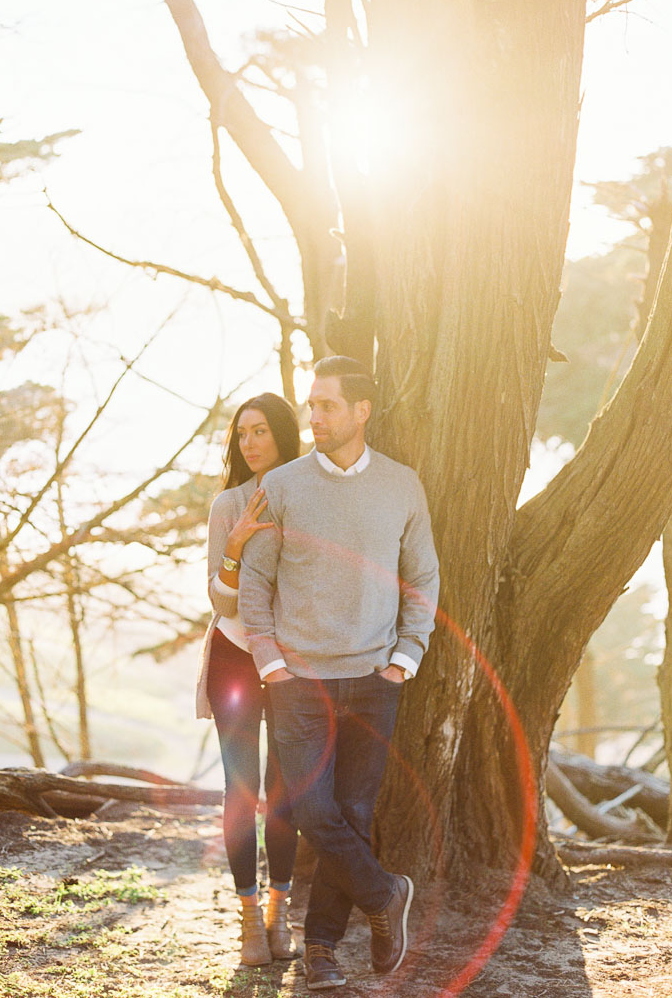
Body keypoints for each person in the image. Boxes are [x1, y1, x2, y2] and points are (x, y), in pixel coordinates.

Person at [239, 356, 440, 991]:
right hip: (297, 681)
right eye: (312, 405)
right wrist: (272, 664)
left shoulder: (403, 485)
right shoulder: (285, 485)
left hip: (376, 678)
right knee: (305, 806)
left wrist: (406, 656)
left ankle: (321, 949)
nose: (313, 417)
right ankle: (386, 895)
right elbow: (256, 581)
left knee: (352, 812)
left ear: (362, 411)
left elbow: (423, 576)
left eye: (326, 405)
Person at [195, 392, 301, 967]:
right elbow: (219, 597)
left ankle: (279, 913)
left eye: (260, 431)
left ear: (284, 434)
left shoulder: (309, 497)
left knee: (284, 794)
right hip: (235, 658)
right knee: (241, 791)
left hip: (289, 662)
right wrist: (234, 546)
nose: (251, 442)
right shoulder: (227, 504)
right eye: (242, 434)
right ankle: (246, 921)